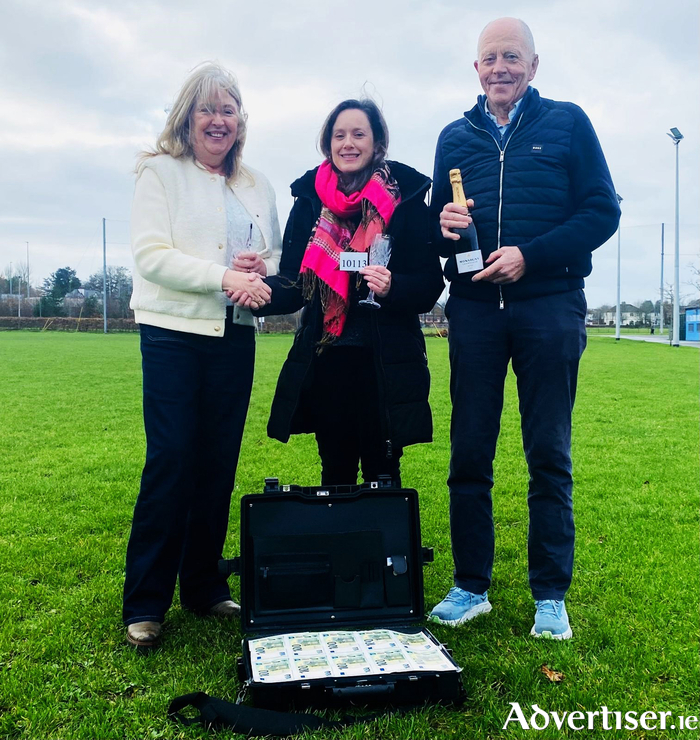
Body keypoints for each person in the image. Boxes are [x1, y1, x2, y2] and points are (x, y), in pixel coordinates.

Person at [428, 18, 620, 639]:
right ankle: (470, 585)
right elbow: (438, 220)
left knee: (548, 453)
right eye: (490, 58)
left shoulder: (568, 123)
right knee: (469, 453)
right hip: (476, 312)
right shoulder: (454, 138)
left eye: (513, 56)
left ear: (534, 66)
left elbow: (602, 210)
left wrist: (528, 256)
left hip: (550, 307)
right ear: (475, 69)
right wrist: (443, 221)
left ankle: (550, 595)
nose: (500, 67)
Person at [123, 62, 281, 649]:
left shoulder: (256, 184)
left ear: (241, 121)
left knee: (217, 462)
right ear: (187, 116)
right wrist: (222, 276)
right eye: (207, 109)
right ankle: (145, 601)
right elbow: (151, 256)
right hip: (171, 333)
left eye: (229, 110)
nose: (218, 120)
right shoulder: (159, 172)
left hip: (234, 336)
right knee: (172, 461)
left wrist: (258, 269)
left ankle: (204, 587)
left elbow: (275, 255)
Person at [253, 99, 444, 486]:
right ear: (328, 143)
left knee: (383, 470)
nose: (348, 143)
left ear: (377, 144)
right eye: (339, 135)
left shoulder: (405, 198)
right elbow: (293, 283)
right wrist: (256, 291)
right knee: (335, 470)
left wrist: (393, 287)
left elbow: (429, 284)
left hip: (386, 362)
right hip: (327, 359)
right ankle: (340, 546)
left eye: (359, 134)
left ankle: (388, 548)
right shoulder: (309, 200)